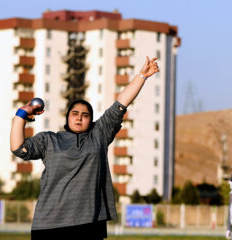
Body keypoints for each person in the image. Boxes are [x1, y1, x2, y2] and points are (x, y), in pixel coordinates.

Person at [10, 57, 159, 240]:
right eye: (75, 114)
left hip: (89, 224)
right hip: (48, 224)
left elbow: (120, 104)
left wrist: (142, 76)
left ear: (91, 119)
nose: (79, 118)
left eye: (85, 115)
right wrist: (21, 114)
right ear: (68, 118)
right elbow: (18, 148)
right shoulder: (50, 140)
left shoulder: (99, 134)